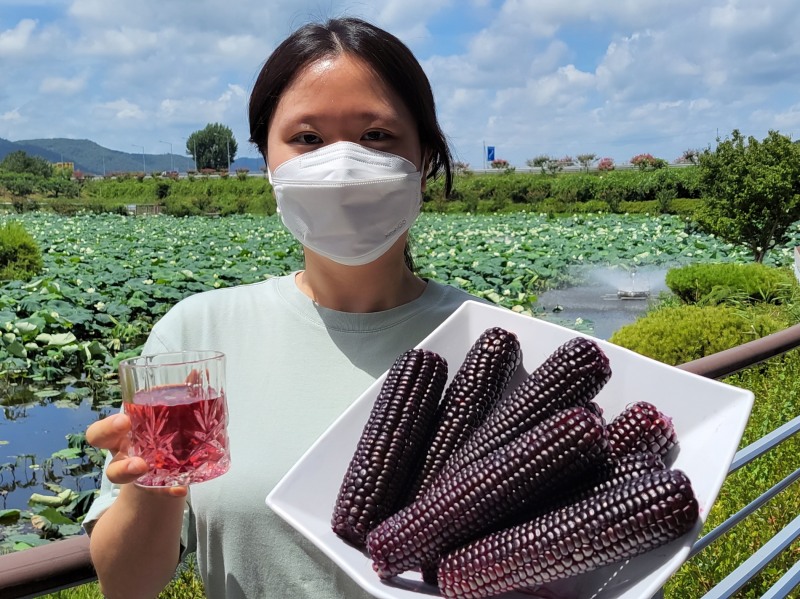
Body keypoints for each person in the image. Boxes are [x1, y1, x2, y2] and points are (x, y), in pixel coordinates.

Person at [83, 16, 482, 599]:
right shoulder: (197, 336)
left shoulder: (487, 340)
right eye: (308, 139)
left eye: (376, 136)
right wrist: (148, 488)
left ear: (424, 158)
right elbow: (128, 586)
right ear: (269, 163)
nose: (342, 165)